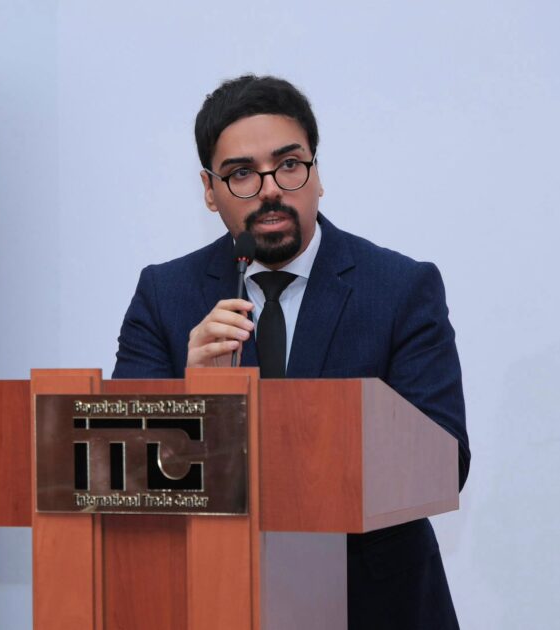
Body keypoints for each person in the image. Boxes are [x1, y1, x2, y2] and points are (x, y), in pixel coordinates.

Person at [113, 74, 470, 629]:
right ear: (209, 190)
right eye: (241, 174)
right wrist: (194, 400)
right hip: (219, 600)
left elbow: (445, 463)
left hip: (375, 606)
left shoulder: (400, 287)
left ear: (317, 174)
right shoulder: (165, 295)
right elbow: (120, 473)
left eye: (288, 164)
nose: (271, 189)